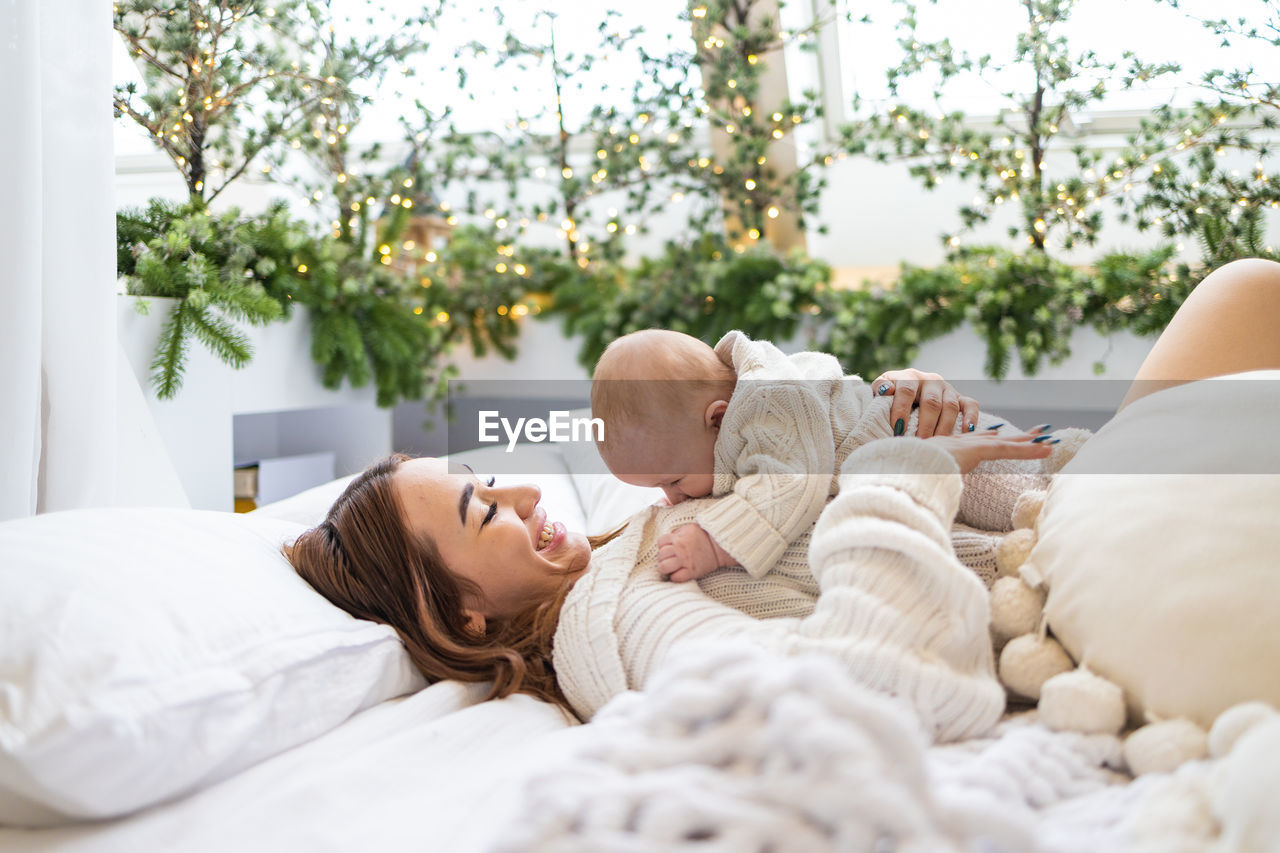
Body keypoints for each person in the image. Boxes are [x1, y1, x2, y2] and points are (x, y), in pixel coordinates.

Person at [285, 258, 1280, 743]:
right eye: (479, 513)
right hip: (1065, 582)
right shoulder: (619, 615)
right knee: (1246, 295)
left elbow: (812, 479)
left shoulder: (638, 533)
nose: (515, 489)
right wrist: (903, 476)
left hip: (1044, 517)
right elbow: (843, 688)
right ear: (461, 612)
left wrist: (884, 411)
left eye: (482, 477)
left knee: (1246, 295)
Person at [590, 328, 1060, 583]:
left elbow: (791, 487)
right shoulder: (729, 420)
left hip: (917, 440)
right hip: (896, 463)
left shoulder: (766, 405)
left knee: (1025, 498)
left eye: (673, 480)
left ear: (717, 418)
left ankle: (1062, 489)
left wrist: (714, 545)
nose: (672, 500)